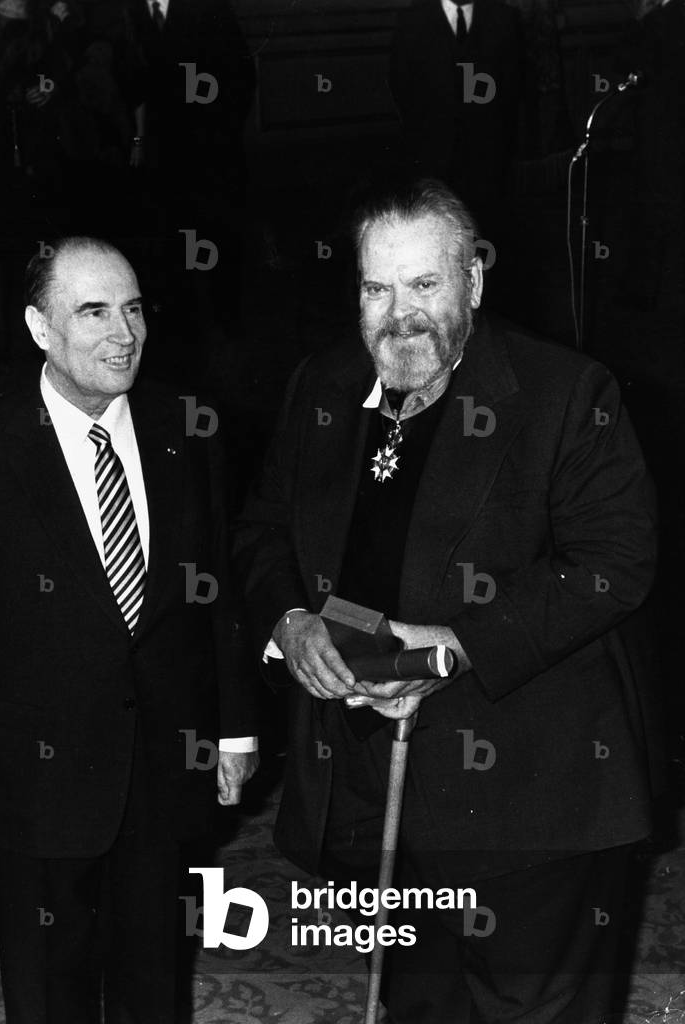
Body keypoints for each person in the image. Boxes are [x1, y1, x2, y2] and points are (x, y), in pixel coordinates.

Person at [233, 176, 661, 1024]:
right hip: (372, 790)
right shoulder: (321, 386)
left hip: (532, 795)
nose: (401, 314)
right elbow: (261, 532)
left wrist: (457, 642)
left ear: (471, 282)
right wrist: (289, 621)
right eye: (376, 287)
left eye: (425, 284)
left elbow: (615, 562)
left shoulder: (564, 394)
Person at [0, 236, 259, 1024]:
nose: (121, 333)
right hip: (36, 779)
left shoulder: (187, 426)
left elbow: (215, 595)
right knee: (49, 992)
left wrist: (233, 729)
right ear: (40, 328)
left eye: (131, 309)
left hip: (165, 769)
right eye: (93, 312)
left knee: (153, 983)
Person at [389, 0, 523, 244]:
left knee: (487, 241)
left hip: (488, 166)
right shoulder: (412, 20)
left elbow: (513, 91)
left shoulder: (504, 18)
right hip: (430, 163)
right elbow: (402, 88)